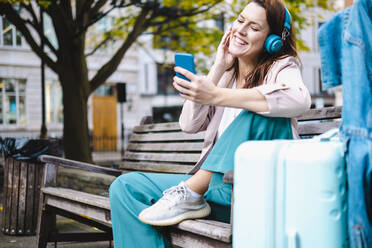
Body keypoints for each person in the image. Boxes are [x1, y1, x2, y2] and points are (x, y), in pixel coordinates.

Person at [109, 0, 311, 247]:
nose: (240, 30)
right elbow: (189, 124)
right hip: (211, 191)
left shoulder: (282, 67)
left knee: (257, 109)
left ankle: (192, 190)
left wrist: (216, 95)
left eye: (254, 27)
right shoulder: (226, 75)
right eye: (239, 20)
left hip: (248, 189)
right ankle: (192, 192)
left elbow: (299, 99)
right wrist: (218, 67)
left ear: (273, 40)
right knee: (125, 187)